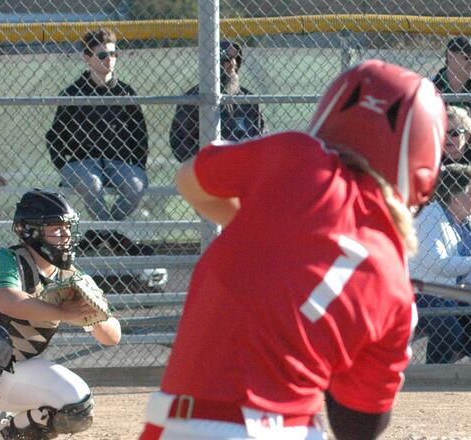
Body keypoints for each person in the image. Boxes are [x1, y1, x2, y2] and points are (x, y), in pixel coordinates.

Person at [138, 60, 446, 440]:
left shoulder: (296, 156)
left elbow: (188, 179)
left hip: (176, 426)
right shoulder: (393, 286)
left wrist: (276, 240)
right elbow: (357, 429)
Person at [0, 189, 121, 439]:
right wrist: (63, 312)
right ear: (31, 231)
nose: (65, 235)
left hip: (13, 374)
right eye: (56, 227)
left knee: (77, 408)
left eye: (67, 228)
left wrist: (94, 317)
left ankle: (3, 433)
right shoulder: (9, 259)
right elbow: (7, 300)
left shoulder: (73, 278)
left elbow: (112, 337)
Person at [45, 28, 151, 255]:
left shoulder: (125, 93)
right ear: (87, 58)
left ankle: (99, 235)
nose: (109, 60)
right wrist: (62, 164)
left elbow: (140, 134)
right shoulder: (73, 93)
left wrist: (138, 164)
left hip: (118, 160)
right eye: (102, 55)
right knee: (91, 182)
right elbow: (54, 136)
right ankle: (115, 237)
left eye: (113, 54)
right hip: (82, 161)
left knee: (137, 184)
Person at [410, 164, 471, 364]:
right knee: (447, 327)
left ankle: (449, 362)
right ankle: (433, 373)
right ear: (454, 195)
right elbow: (438, 263)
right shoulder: (429, 217)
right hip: (424, 292)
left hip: (457, 291)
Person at [170, 40, 267, 163]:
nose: (233, 64)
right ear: (214, 63)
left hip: (245, 167)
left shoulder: (248, 99)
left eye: (236, 58)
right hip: (210, 167)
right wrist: (204, 163)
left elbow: (262, 136)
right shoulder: (193, 98)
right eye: (227, 59)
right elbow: (179, 142)